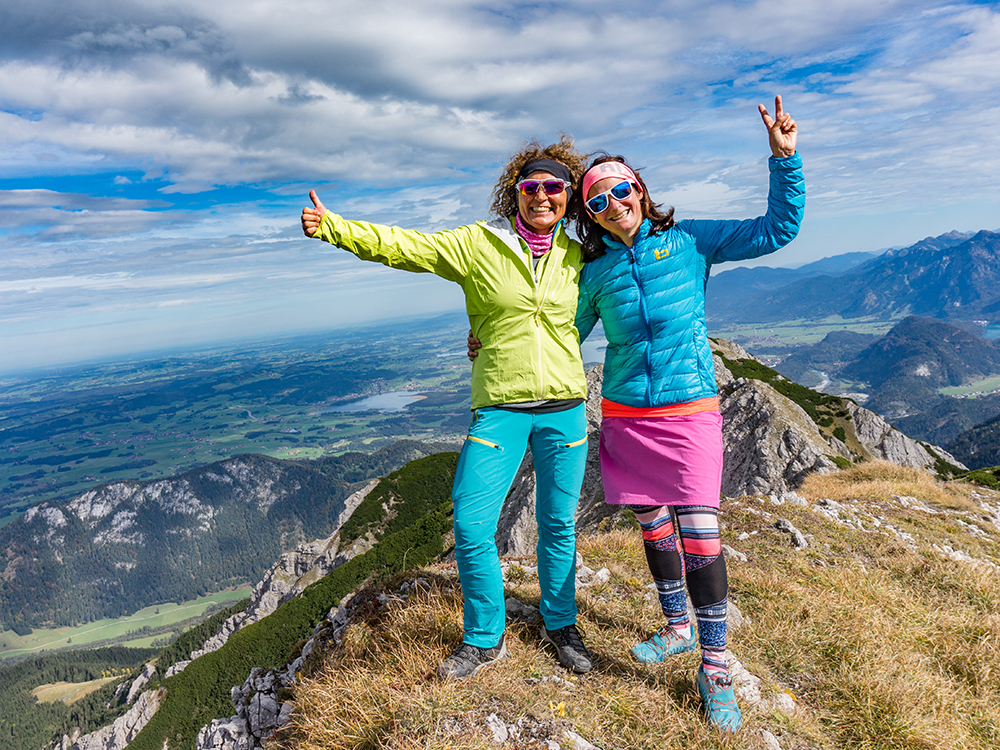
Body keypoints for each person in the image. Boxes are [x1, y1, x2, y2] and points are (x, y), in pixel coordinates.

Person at [469, 96, 803, 730]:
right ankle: (676, 625)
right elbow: (559, 331)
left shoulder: (691, 241)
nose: (612, 203)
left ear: (640, 189)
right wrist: (492, 334)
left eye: (621, 190)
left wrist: (783, 159)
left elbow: (775, 231)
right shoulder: (596, 273)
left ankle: (715, 667)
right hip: (626, 415)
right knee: (653, 525)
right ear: (589, 213)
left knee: (700, 533)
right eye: (597, 200)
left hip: (690, 410)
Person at [301, 137, 596, 681]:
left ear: (568, 197)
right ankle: (485, 638)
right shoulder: (479, 245)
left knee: (558, 524)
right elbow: (409, 246)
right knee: (471, 522)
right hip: (501, 407)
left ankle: (562, 625)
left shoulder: (580, 255)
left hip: (565, 408)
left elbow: (600, 306)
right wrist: (338, 228)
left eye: (555, 188)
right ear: (517, 192)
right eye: (532, 187)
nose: (543, 196)